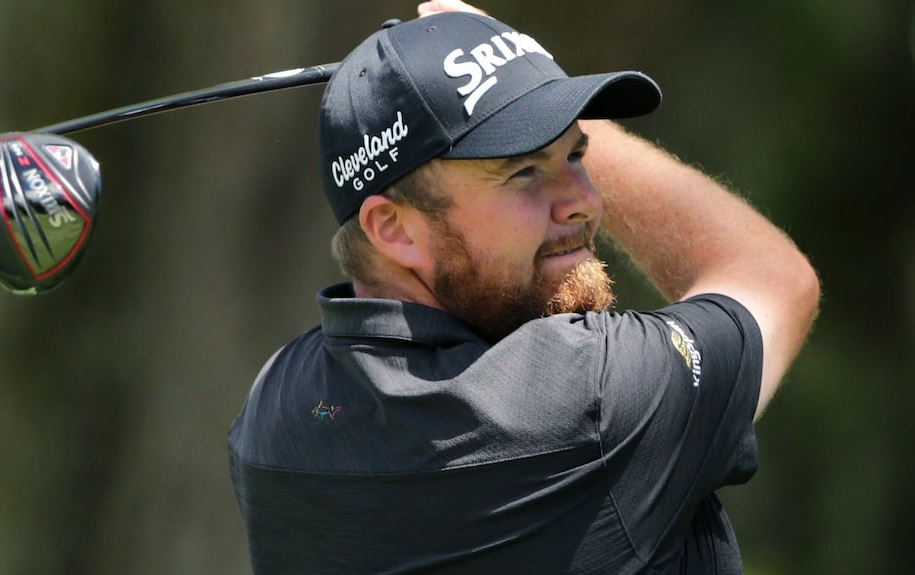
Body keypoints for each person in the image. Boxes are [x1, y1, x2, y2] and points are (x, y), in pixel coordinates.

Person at [228, 1, 820, 573]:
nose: (587, 201)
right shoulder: (589, 396)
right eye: (523, 171)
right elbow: (770, 277)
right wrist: (548, 101)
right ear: (394, 229)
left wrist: (522, 96)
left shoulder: (271, 415)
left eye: (577, 155)